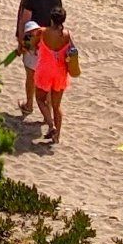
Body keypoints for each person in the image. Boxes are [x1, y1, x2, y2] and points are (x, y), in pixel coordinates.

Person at [16, 0, 63, 115]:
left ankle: (29, 105)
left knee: (31, 75)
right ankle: (47, 111)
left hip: (33, 41)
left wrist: (21, 41)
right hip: (49, 43)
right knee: (47, 77)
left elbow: (24, 21)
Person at [33, 7, 75, 144]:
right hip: (60, 72)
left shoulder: (42, 32)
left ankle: (51, 125)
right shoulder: (67, 35)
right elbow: (72, 51)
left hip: (44, 70)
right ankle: (57, 136)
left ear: (51, 19)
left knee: (40, 99)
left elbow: (33, 45)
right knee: (57, 106)